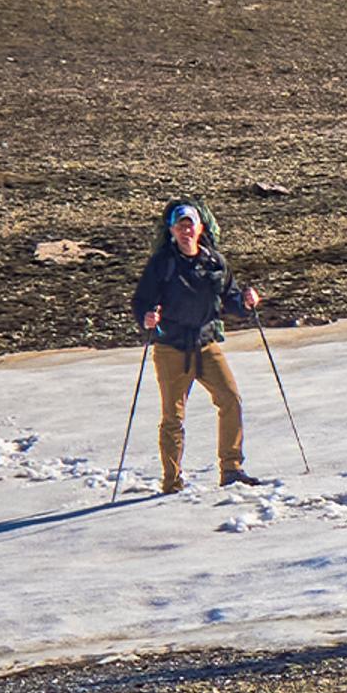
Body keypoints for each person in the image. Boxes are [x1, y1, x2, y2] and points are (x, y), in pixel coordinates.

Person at [131, 201, 262, 493]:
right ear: (172, 231)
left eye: (190, 224)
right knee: (173, 418)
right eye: (180, 225)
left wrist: (247, 302)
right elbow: (141, 301)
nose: (186, 230)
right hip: (171, 348)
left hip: (205, 344)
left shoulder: (215, 262)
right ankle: (172, 482)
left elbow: (230, 301)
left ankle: (231, 469)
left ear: (200, 228)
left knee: (230, 399)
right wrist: (147, 318)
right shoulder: (162, 264)